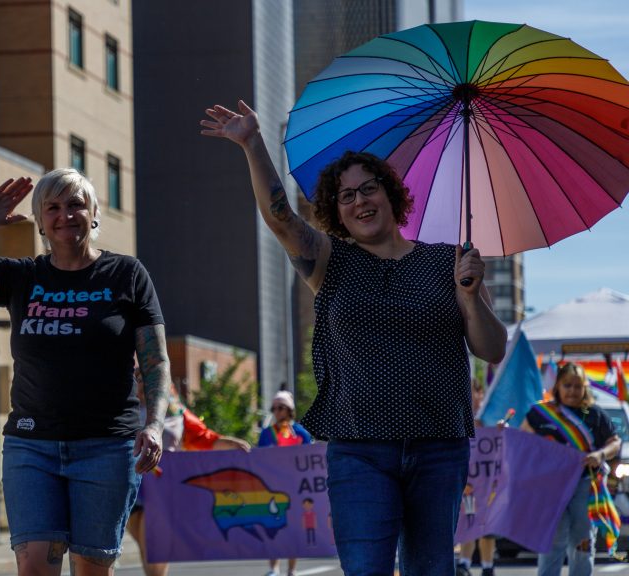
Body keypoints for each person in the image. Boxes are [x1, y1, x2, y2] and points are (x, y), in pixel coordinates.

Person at [201, 101, 507, 575]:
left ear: (391, 194)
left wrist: (469, 296)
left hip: (439, 447)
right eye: (346, 197)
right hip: (360, 449)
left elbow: (493, 348)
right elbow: (281, 219)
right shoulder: (330, 261)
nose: (360, 201)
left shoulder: (451, 260)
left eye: (369, 188)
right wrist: (252, 143)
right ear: (335, 211)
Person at [0, 169, 170, 576]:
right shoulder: (22, 277)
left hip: (106, 447)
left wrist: (155, 426)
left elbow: (155, 361)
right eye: (52, 207)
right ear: (40, 221)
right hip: (31, 446)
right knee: (34, 567)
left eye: (75, 204)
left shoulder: (127, 275)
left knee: (91, 569)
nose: (65, 215)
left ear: (93, 213)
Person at [126, 374, 250, 576]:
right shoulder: (125, 409)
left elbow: (203, 437)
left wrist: (231, 443)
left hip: (163, 486)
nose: (141, 383)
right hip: (132, 485)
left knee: (155, 545)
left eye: (147, 377)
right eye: (138, 379)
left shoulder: (175, 411)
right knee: (146, 545)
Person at [521, 362, 621, 576]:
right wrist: (502, 431)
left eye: (578, 386)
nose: (572, 391)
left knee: (582, 542)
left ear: (584, 387)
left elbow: (615, 443)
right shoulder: (540, 413)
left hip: (585, 486)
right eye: (567, 385)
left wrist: (600, 454)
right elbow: (520, 442)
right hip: (550, 488)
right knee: (552, 540)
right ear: (557, 386)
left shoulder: (595, 414)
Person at [257, 391, 313, 576]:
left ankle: (291, 569)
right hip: (273, 488)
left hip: (296, 488)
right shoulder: (267, 433)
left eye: (281, 407)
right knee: (273, 527)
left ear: (289, 410)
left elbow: (309, 459)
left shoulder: (301, 433)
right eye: (274, 408)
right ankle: (273, 568)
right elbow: (259, 458)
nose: (277, 411)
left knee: (293, 529)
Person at [457, 377, 497, 576]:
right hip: (468, 485)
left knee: (487, 526)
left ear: (482, 394)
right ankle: (464, 563)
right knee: (469, 522)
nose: (473, 396)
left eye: (475, 391)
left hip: (487, 486)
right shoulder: (458, 418)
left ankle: (487, 567)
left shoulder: (489, 421)